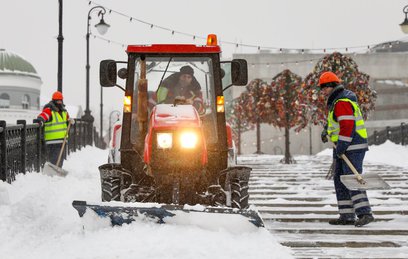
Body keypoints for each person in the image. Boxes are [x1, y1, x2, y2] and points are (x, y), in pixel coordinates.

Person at [319, 71, 374, 227]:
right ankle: (347, 215)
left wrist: (342, 146)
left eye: (324, 87)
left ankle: (365, 213)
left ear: (332, 86)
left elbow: (347, 126)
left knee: (352, 179)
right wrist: (326, 131)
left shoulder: (342, 101)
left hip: (352, 147)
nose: (322, 91)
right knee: (340, 180)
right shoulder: (337, 102)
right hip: (344, 147)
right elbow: (336, 123)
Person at [37, 91, 73, 167]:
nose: (59, 102)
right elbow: (43, 116)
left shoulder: (64, 111)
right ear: (54, 101)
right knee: (55, 159)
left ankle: (57, 172)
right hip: (52, 141)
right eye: (57, 101)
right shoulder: (49, 110)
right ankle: (53, 174)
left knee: (60, 159)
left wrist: (70, 120)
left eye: (60, 100)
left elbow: (67, 120)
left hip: (62, 140)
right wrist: (41, 120)